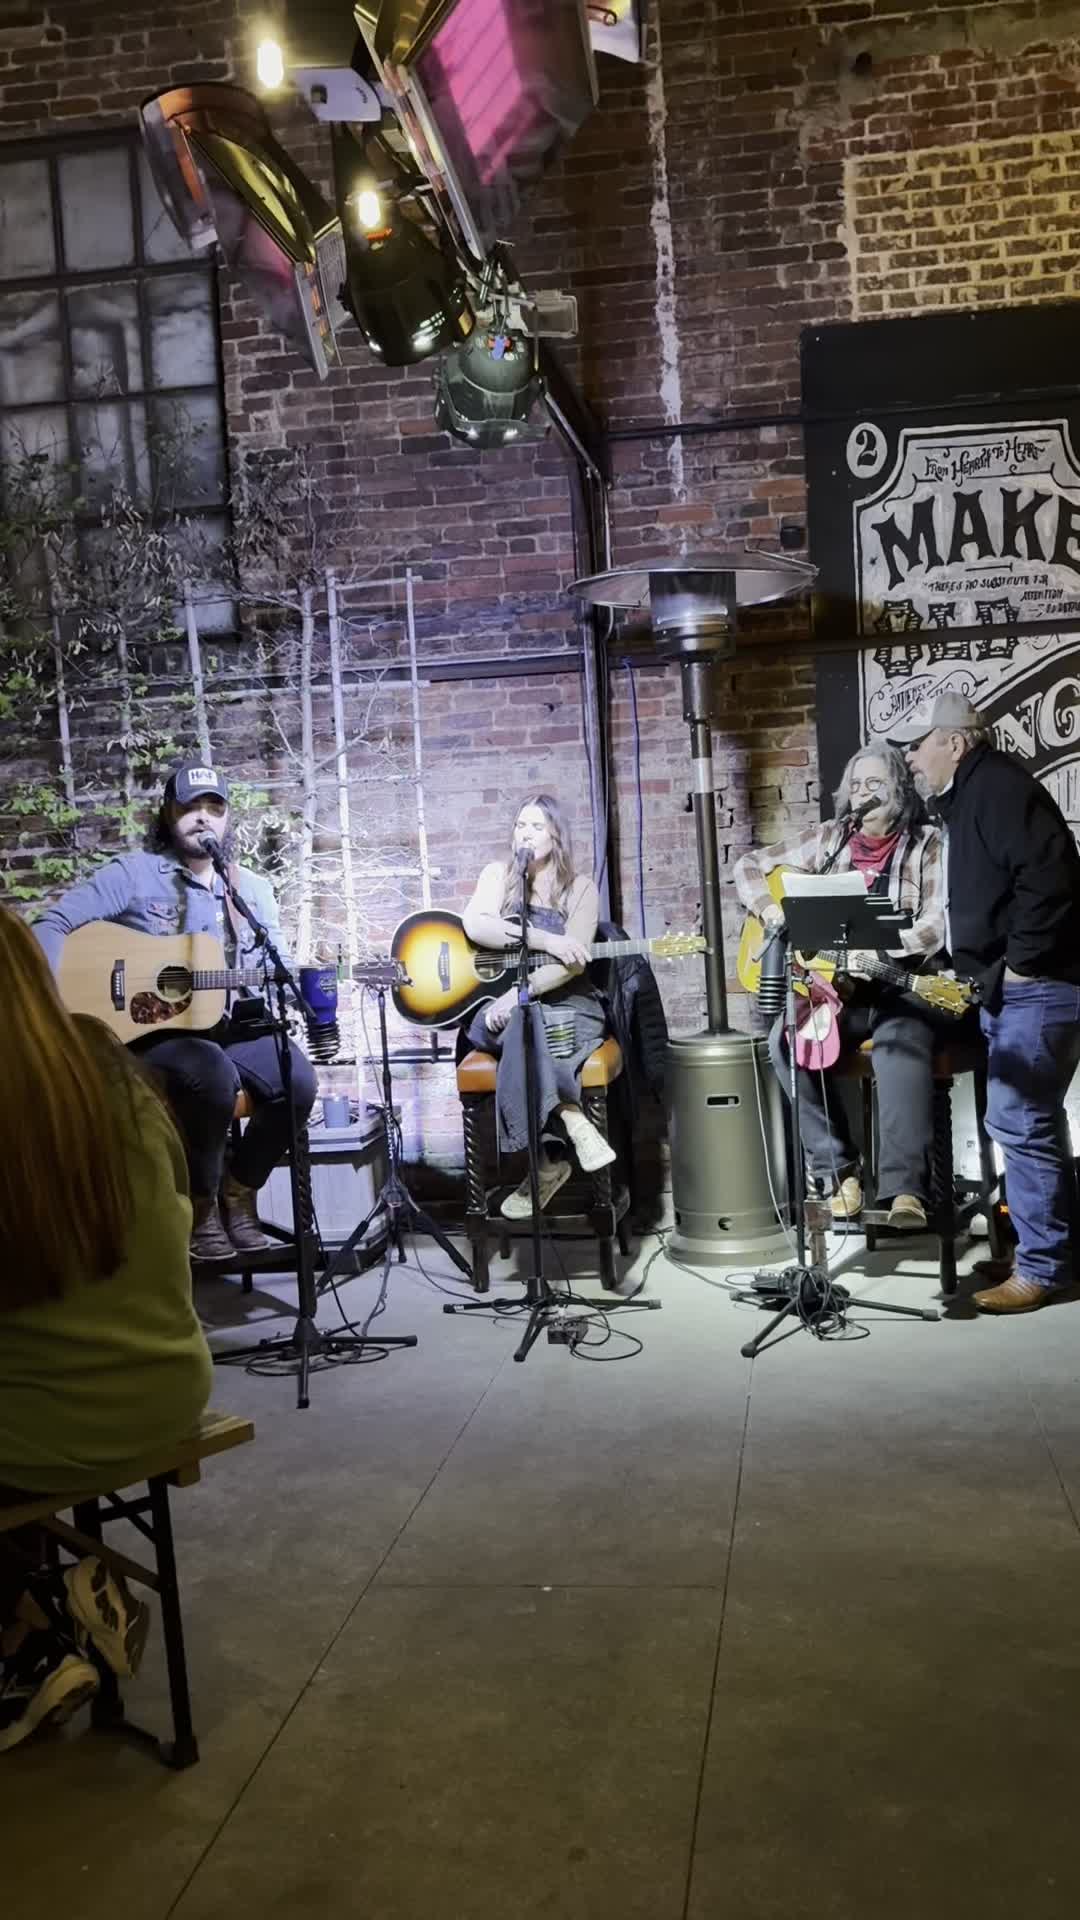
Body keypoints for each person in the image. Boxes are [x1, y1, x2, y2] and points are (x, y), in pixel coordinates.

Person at [0, 905, 213, 1752]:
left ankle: (33, 1627)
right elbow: (183, 1216)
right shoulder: (110, 1065)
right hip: (168, 1389)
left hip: (52, 1430)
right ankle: (61, 1589)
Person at [33, 759, 318, 1262]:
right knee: (209, 1076)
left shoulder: (249, 890)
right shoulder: (134, 875)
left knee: (295, 1079)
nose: (203, 817)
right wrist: (58, 1005)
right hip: (155, 1034)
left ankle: (239, 1192)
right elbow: (50, 925)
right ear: (168, 814)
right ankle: (199, 1206)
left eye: (214, 807)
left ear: (227, 820)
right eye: (190, 806)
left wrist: (302, 988)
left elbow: (279, 968)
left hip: (231, 1024)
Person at [901, 690, 1080, 1313]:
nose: (912, 759)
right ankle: (1049, 1251)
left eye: (919, 745)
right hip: (1020, 989)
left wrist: (1025, 965)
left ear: (954, 742)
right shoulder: (974, 794)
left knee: (1021, 1123)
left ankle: (1044, 1269)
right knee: (1033, 1124)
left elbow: (1051, 877)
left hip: (1041, 989)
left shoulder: (998, 788)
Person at [733, 743, 949, 1230]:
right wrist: (773, 913)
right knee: (785, 1041)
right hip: (841, 989)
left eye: (874, 784)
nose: (863, 794)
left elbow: (935, 926)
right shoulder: (828, 839)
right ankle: (837, 1173)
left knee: (900, 1043)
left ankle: (904, 1192)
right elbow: (746, 866)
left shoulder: (927, 842)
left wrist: (880, 948)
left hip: (900, 985)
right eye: (855, 786)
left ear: (898, 789)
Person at [461, 793, 615, 1217]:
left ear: (556, 835)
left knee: (530, 1031)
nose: (525, 834)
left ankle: (543, 1166)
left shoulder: (580, 888)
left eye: (536, 826)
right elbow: (477, 924)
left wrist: (520, 994)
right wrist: (546, 939)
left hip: (569, 1004)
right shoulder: (498, 876)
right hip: (505, 1006)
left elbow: (573, 963)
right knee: (519, 1028)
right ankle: (571, 1116)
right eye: (520, 826)